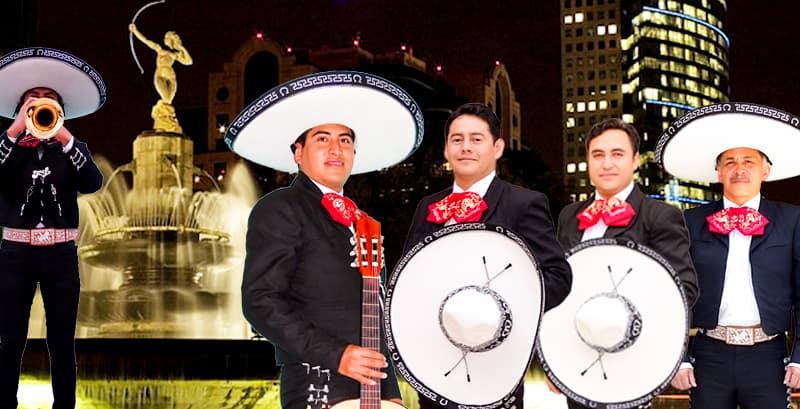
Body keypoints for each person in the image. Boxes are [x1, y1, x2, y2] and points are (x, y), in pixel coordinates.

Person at [228, 71, 423, 408]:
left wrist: (392, 393)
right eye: (322, 139)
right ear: (298, 153)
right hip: (315, 384)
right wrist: (337, 355)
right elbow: (260, 301)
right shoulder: (280, 207)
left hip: (377, 388)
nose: (336, 149)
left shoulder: (365, 223)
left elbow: (376, 312)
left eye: (345, 140)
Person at [403, 102, 572, 408]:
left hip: (498, 361)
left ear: (497, 147)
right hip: (433, 363)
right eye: (457, 139)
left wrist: (501, 310)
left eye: (476, 139)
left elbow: (558, 277)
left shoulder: (524, 203)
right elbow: (408, 280)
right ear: (446, 150)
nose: (466, 147)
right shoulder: (427, 207)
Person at [657, 103, 800, 408]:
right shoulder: (689, 221)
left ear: (766, 169)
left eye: (749, 160)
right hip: (708, 355)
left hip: (770, 355)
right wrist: (679, 358)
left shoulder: (792, 220)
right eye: (730, 161)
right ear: (718, 172)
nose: (739, 169)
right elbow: (671, 294)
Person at [550, 117, 698, 408]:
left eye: (617, 154)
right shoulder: (569, 215)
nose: (607, 164)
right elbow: (557, 286)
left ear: (635, 161)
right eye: (598, 155)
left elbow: (685, 288)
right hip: (577, 357)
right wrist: (554, 357)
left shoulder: (659, 215)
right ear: (588, 162)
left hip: (633, 359)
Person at [0, 47, 106, 409]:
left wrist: (64, 137)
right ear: (20, 109)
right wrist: (15, 131)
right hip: (15, 255)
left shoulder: (71, 150)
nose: (40, 105)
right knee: (10, 339)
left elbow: (93, 182)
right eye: (33, 100)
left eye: (49, 102)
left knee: (61, 342)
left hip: (61, 256)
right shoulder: (10, 150)